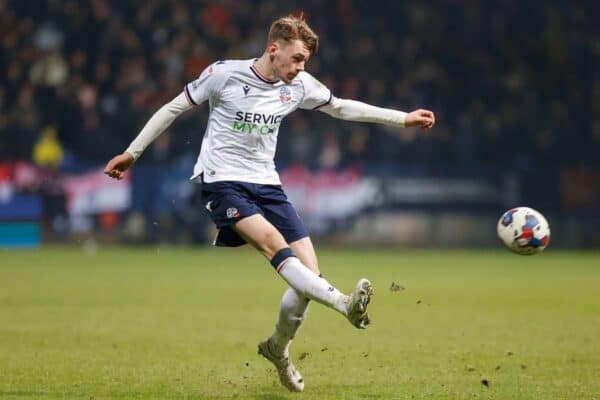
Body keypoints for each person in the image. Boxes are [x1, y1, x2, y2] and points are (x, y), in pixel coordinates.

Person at [104, 15, 435, 392]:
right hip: (223, 183)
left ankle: (277, 349)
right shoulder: (224, 74)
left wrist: (403, 119)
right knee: (275, 248)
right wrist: (133, 152)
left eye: (305, 62)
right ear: (273, 49)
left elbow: (342, 107)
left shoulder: (299, 86)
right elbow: (173, 108)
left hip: (268, 185)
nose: (300, 68)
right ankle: (345, 304)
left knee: (308, 279)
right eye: (296, 59)